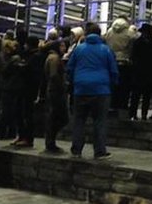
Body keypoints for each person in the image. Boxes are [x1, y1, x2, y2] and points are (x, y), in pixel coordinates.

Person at [67, 23, 119, 159]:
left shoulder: (79, 49)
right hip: (101, 89)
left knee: (79, 120)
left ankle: (76, 150)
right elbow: (113, 70)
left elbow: (70, 67)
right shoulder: (106, 50)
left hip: (81, 89)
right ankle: (99, 151)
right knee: (100, 121)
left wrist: (74, 82)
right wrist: (113, 84)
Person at [129, 23, 152, 121]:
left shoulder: (137, 43)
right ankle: (143, 114)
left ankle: (133, 114)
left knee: (136, 95)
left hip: (139, 72)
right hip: (150, 73)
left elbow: (133, 56)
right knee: (146, 96)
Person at [104, 17, 135, 117]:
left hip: (111, 61)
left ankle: (111, 107)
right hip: (124, 62)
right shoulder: (129, 32)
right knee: (124, 88)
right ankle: (122, 110)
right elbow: (132, 46)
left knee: (112, 87)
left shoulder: (109, 31)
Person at [43, 40, 68, 153]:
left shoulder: (52, 57)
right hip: (56, 91)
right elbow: (54, 75)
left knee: (56, 117)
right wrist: (62, 85)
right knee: (58, 117)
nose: (64, 48)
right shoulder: (54, 58)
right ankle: (50, 141)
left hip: (53, 90)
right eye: (62, 46)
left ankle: (50, 141)